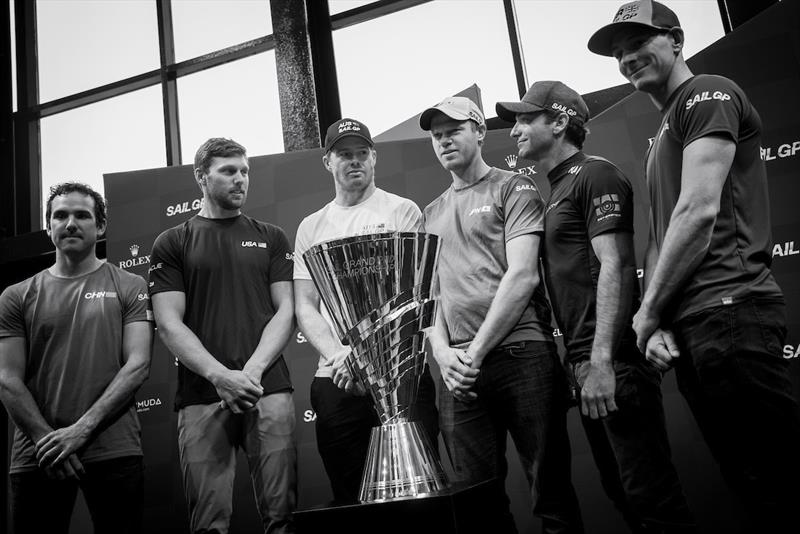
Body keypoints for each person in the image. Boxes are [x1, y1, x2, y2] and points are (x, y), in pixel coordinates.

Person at [589, 1, 800, 531]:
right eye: (618, 53)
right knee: (751, 483)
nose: (627, 58)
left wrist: (646, 311)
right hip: (699, 324)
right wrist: (657, 317)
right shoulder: (663, 130)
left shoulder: (709, 92)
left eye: (638, 43)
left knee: (781, 482)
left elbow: (698, 211)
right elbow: (664, 237)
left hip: (733, 308)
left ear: (676, 39)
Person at [498, 80, 694, 533]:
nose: (515, 131)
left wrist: (603, 360)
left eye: (527, 119)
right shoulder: (559, 188)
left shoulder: (595, 175)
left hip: (615, 363)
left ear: (561, 121)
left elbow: (618, 266)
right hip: (588, 364)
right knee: (625, 497)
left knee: (653, 502)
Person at [419, 96, 583, 533]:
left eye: (453, 130)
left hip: (521, 355)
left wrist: (472, 351)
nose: (444, 140)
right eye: (436, 136)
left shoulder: (514, 186)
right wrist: (442, 352)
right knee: (476, 505)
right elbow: (427, 298)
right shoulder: (429, 214)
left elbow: (523, 275)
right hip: (459, 373)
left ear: (478, 130)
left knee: (552, 496)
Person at [150, 138, 296, 533]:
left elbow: (287, 310)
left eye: (244, 171)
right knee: (209, 525)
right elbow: (168, 323)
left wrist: (250, 373)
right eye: (228, 171)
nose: (240, 179)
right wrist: (220, 376)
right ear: (201, 177)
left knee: (282, 520)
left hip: (268, 387)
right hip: (201, 394)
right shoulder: (173, 241)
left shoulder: (272, 236)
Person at [293, 118, 439, 503]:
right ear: (328, 161)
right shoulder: (311, 226)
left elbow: (412, 299)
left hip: (402, 375)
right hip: (337, 377)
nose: (354, 161)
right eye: (344, 154)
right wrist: (341, 355)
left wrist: (365, 359)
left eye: (362, 153)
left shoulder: (403, 211)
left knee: (418, 492)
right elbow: (305, 307)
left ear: (374, 157)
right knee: (350, 497)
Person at [0, 182, 152, 534]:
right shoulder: (15, 296)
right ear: (49, 227)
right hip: (37, 453)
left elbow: (138, 365)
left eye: (82, 215)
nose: (70, 223)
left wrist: (80, 432)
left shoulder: (130, 285)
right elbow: (7, 379)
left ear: (99, 227)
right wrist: (48, 440)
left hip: (113, 448)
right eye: (60, 215)